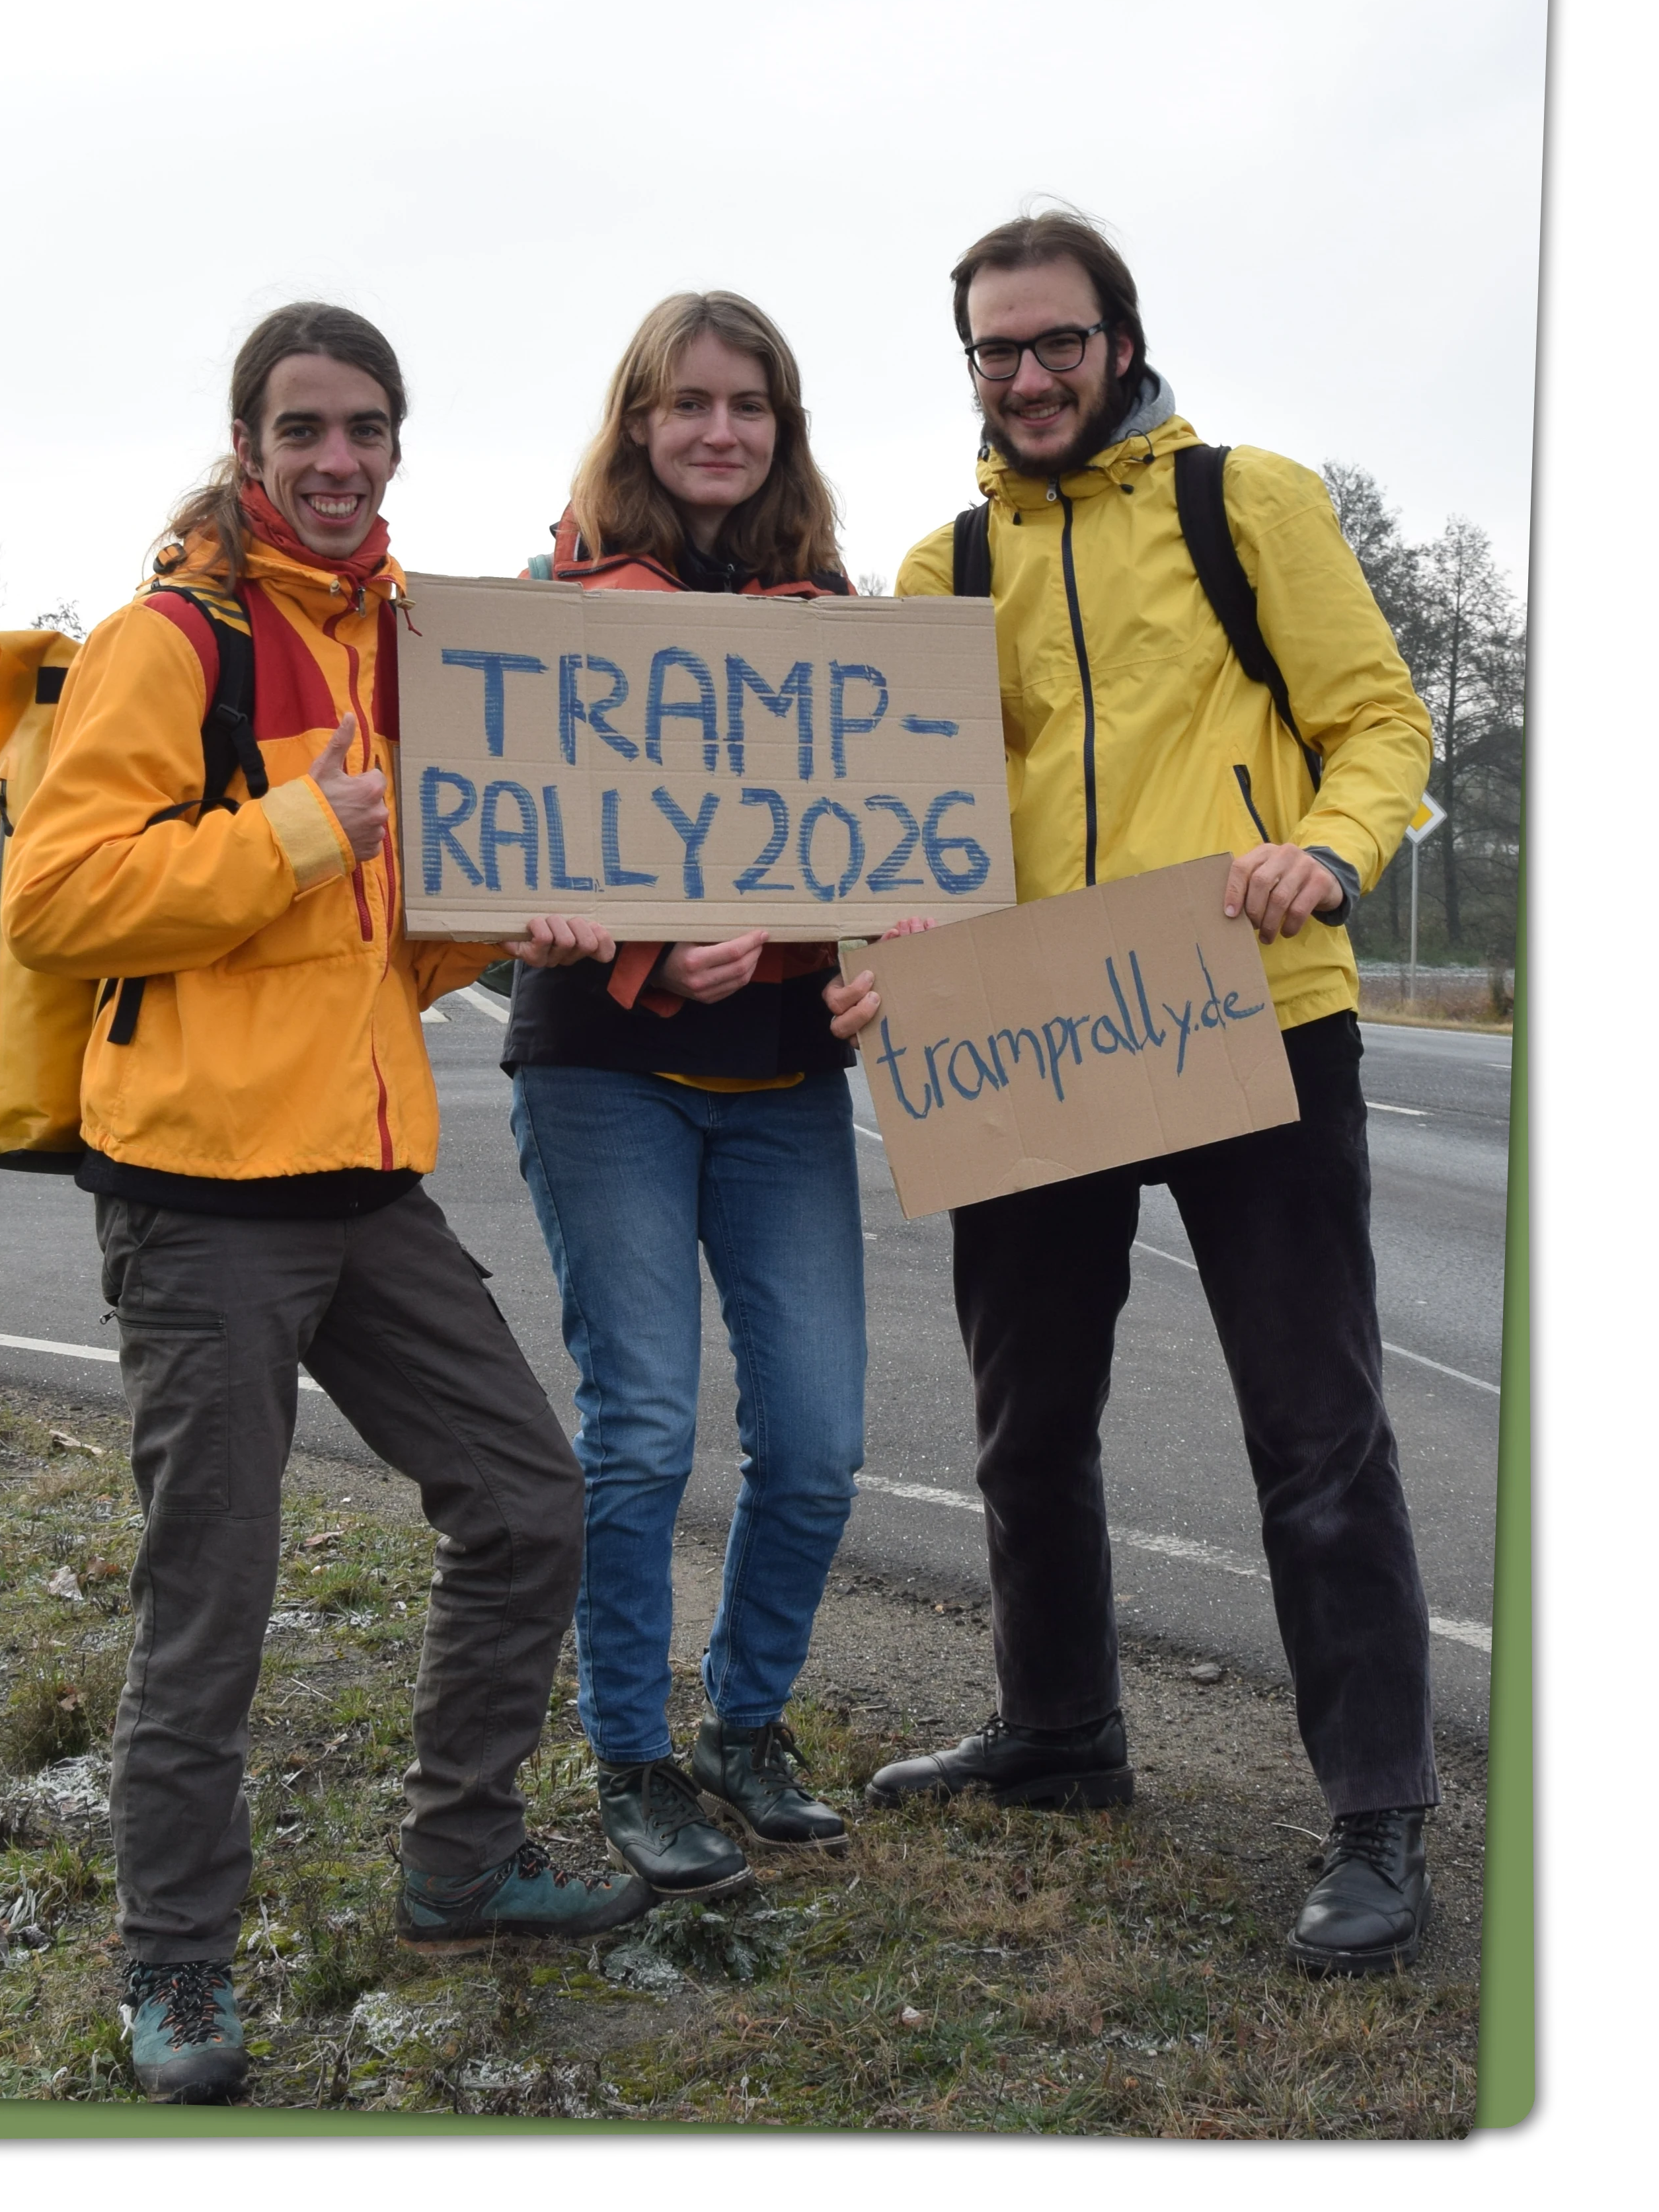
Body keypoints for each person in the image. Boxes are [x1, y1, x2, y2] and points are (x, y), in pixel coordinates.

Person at [5, 303, 648, 2102]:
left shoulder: (395, 644)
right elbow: (61, 897)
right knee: (213, 1594)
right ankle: (176, 1972)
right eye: (306, 430)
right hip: (199, 1196)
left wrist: (494, 917)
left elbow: (370, 938)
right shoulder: (172, 641)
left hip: (366, 1181)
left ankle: (459, 1864)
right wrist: (307, 830)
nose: (340, 459)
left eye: (368, 429)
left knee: (528, 1500)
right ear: (247, 443)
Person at [830, 212, 1440, 1977]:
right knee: (1027, 1426)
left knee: (1316, 1430)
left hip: (1247, 1001)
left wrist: (1323, 853)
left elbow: (1379, 723)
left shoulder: (1247, 504)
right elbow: (894, 827)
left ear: (1123, 340)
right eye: (994, 353)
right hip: (1030, 1028)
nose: (1026, 378)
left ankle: (1379, 1808)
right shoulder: (939, 570)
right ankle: (1059, 1738)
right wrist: (882, 960)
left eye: (1056, 344)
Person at [504, 292, 924, 1899]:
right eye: (687, 402)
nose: (719, 429)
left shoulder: (843, 624)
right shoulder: (545, 608)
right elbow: (492, 857)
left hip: (784, 1084)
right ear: (636, 420)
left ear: (784, 429)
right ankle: (631, 1753)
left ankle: (750, 1722)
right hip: (604, 1071)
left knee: (817, 1442)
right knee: (647, 1435)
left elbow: (889, 860)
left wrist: (813, 932)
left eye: (750, 403)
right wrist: (638, 952)